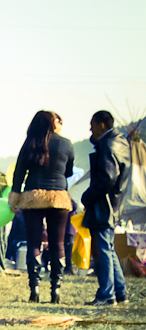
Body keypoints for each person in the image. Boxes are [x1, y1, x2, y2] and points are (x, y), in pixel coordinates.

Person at [9, 111, 74, 304]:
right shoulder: (66, 144)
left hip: (33, 197)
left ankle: (34, 290)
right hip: (59, 197)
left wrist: (14, 196)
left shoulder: (30, 143)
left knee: (34, 244)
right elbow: (68, 171)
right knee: (58, 244)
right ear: (52, 123)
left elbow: (19, 171)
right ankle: (55, 291)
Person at [81, 111, 131, 306]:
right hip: (115, 203)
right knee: (108, 249)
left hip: (103, 205)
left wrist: (87, 196)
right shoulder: (121, 142)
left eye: (92, 125)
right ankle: (119, 292)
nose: (90, 129)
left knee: (102, 251)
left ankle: (106, 294)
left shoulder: (107, 144)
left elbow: (107, 178)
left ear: (101, 125)